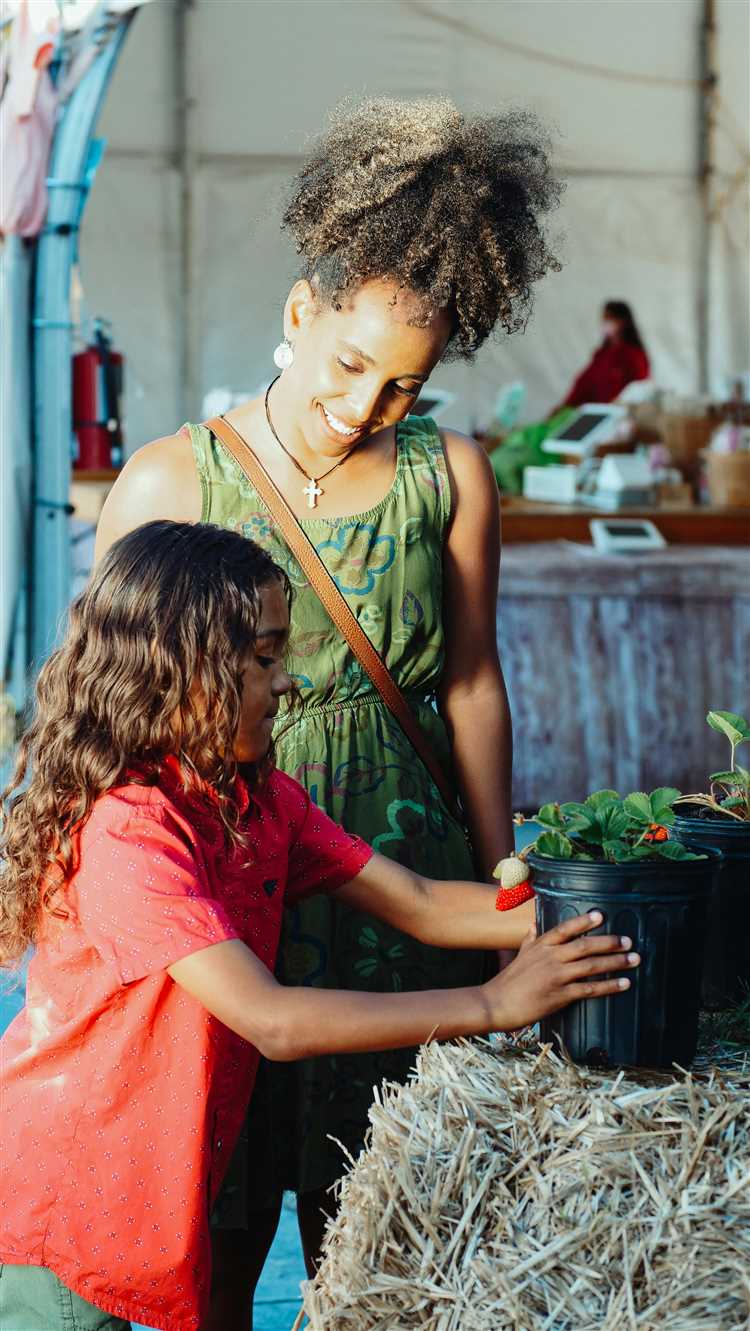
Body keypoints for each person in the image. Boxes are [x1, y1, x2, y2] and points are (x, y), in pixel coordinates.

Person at [94, 97, 563, 1321]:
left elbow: (468, 677)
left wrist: (498, 852)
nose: (364, 407)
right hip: (226, 878)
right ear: (301, 315)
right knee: (218, 1214)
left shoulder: (446, 475)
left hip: (400, 871)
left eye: (403, 387)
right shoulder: (168, 478)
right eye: (349, 364)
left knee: (399, 1229)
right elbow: (108, 710)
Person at [0, 520, 639, 1331]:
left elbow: (423, 901)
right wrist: (494, 1005)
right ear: (183, 670)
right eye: (265, 659)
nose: (287, 683)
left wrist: (599, 910)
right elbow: (273, 1018)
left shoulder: (254, 801)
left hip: (137, 1184)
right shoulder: (129, 829)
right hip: (61, 1201)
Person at [558, 300, 650, 410]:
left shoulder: (633, 355)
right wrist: (565, 406)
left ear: (623, 321)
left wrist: (620, 404)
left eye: (609, 318)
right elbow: (583, 384)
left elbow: (640, 388)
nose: (605, 322)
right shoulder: (601, 355)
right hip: (598, 414)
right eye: (604, 318)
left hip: (621, 416)